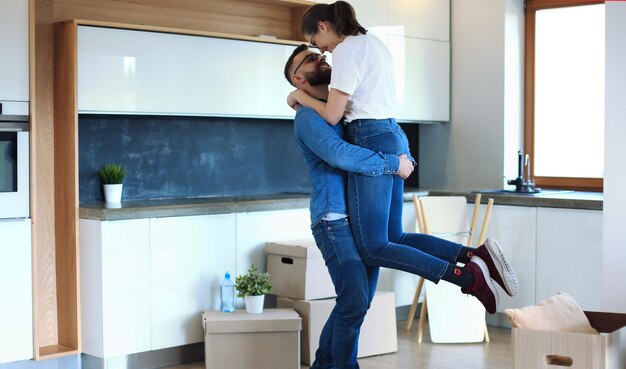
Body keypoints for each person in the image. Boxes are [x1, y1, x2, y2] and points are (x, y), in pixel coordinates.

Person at [287, 1, 519, 316]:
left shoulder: (344, 51)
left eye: (317, 43)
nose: (323, 50)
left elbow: (331, 115)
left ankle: (466, 276)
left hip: (370, 136)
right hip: (391, 133)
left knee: (374, 247)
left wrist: (300, 97)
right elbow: (353, 98)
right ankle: (475, 256)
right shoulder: (372, 43)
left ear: (324, 26)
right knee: (395, 237)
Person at [284, 44, 414, 369]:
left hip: (355, 216)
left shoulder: (336, 108)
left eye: (319, 53)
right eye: (311, 58)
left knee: (357, 301)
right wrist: (390, 163)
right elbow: (340, 154)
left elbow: (382, 124)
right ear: (298, 77)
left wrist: (403, 156)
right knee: (355, 299)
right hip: (333, 219)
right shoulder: (308, 118)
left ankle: (323, 364)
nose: (322, 58)